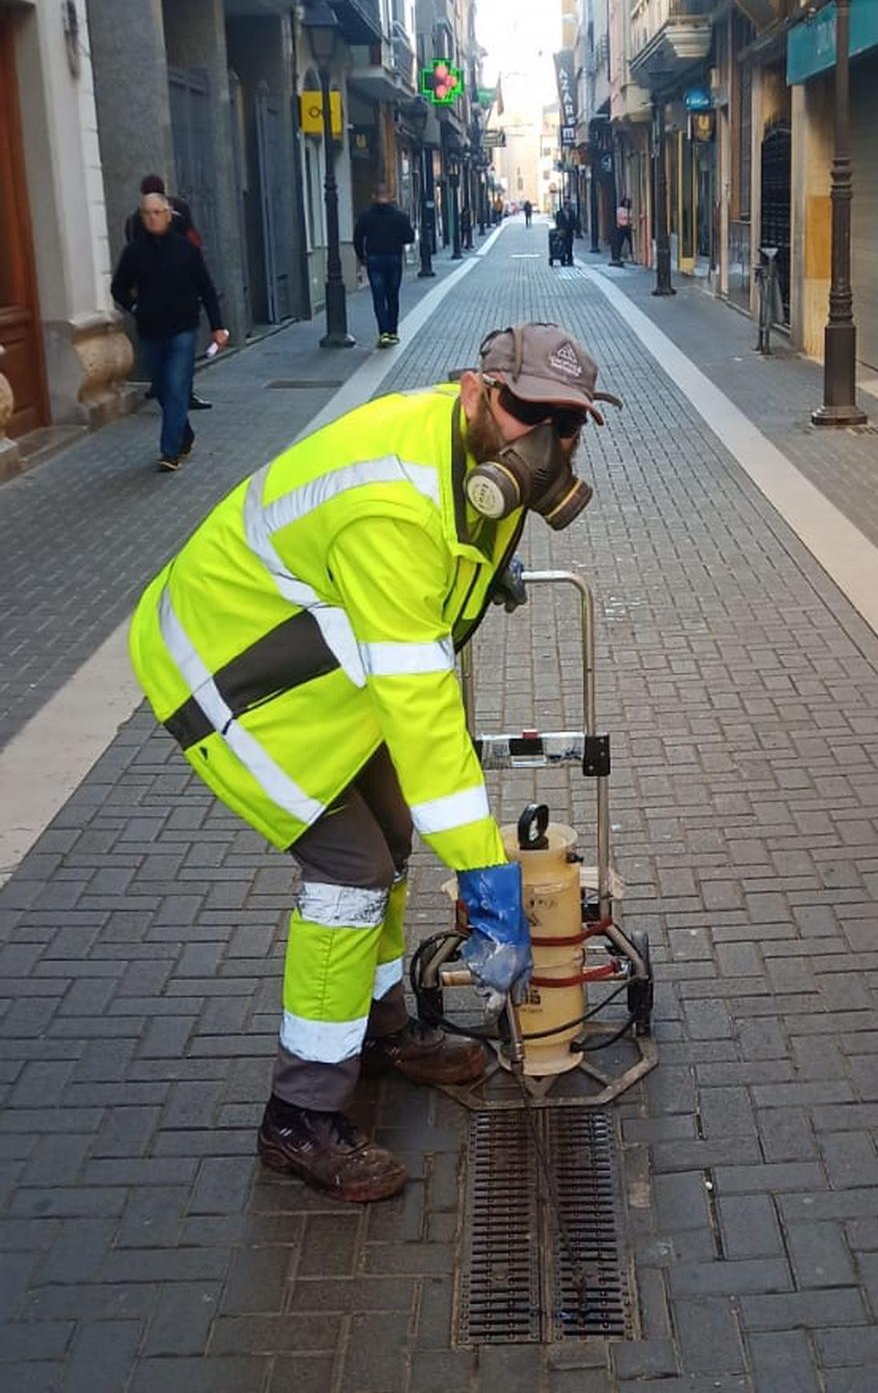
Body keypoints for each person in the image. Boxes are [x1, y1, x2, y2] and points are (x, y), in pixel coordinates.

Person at [127, 321, 623, 1202]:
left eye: (566, 423)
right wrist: (483, 875)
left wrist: (486, 572)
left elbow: (440, 581)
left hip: (318, 674)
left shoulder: (459, 450)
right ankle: (301, 1113)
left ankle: (380, 1029)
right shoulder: (394, 500)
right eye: (524, 413)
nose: (543, 444)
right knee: (351, 870)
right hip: (226, 677)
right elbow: (424, 709)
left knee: (391, 830)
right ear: (478, 390)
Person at [111, 191, 228, 472]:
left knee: (176, 386)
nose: (152, 218)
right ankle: (184, 434)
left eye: (157, 212)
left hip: (182, 330)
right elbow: (118, 287)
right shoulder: (134, 252)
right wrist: (136, 307)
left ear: (167, 214)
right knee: (163, 390)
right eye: (146, 213)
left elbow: (207, 290)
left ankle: (169, 451)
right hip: (150, 332)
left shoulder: (186, 250)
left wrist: (217, 327)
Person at [126, 174, 214, 411]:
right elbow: (194, 241)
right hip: (178, 294)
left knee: (160, 349)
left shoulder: (134, 218)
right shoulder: (179, 210)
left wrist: (134, 302)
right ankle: (183, 394)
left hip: (150, 297)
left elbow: (130, 253)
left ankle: (163, 388)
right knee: (179, 354)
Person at [353, 181, 416, 349]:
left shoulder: (366, 216)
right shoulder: (399, 216)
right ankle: (393, 332)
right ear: (390, 196)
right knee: (392, 296)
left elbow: (357, 237)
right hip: (394, 259)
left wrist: (362, 257)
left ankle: (383, 333)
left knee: (379, 297)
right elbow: (410, 237)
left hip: (374, 260)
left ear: (374, 196)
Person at [554, 200, 576, 267]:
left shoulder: (572, 213)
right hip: (562, 232)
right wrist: (560, 229)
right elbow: (558, 222)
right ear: (565, 205)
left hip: (570, 232)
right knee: (563, 246)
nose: (569, 206)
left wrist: (573, 228)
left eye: (570, 205)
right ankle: (563, 259)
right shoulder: (559, 213)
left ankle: (570, 260)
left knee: (570, 246)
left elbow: (574, 221)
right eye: (568, 205)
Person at [616, 196, 633, 261]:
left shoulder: (630, 210)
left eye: (628, 202)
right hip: (622, 227)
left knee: (631, 241)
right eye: (625, 202)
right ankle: (618, 255)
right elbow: (618, 217)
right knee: (620, 241)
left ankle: (631, 255)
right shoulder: (620, 209)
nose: (626, 204)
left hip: (628, 226)